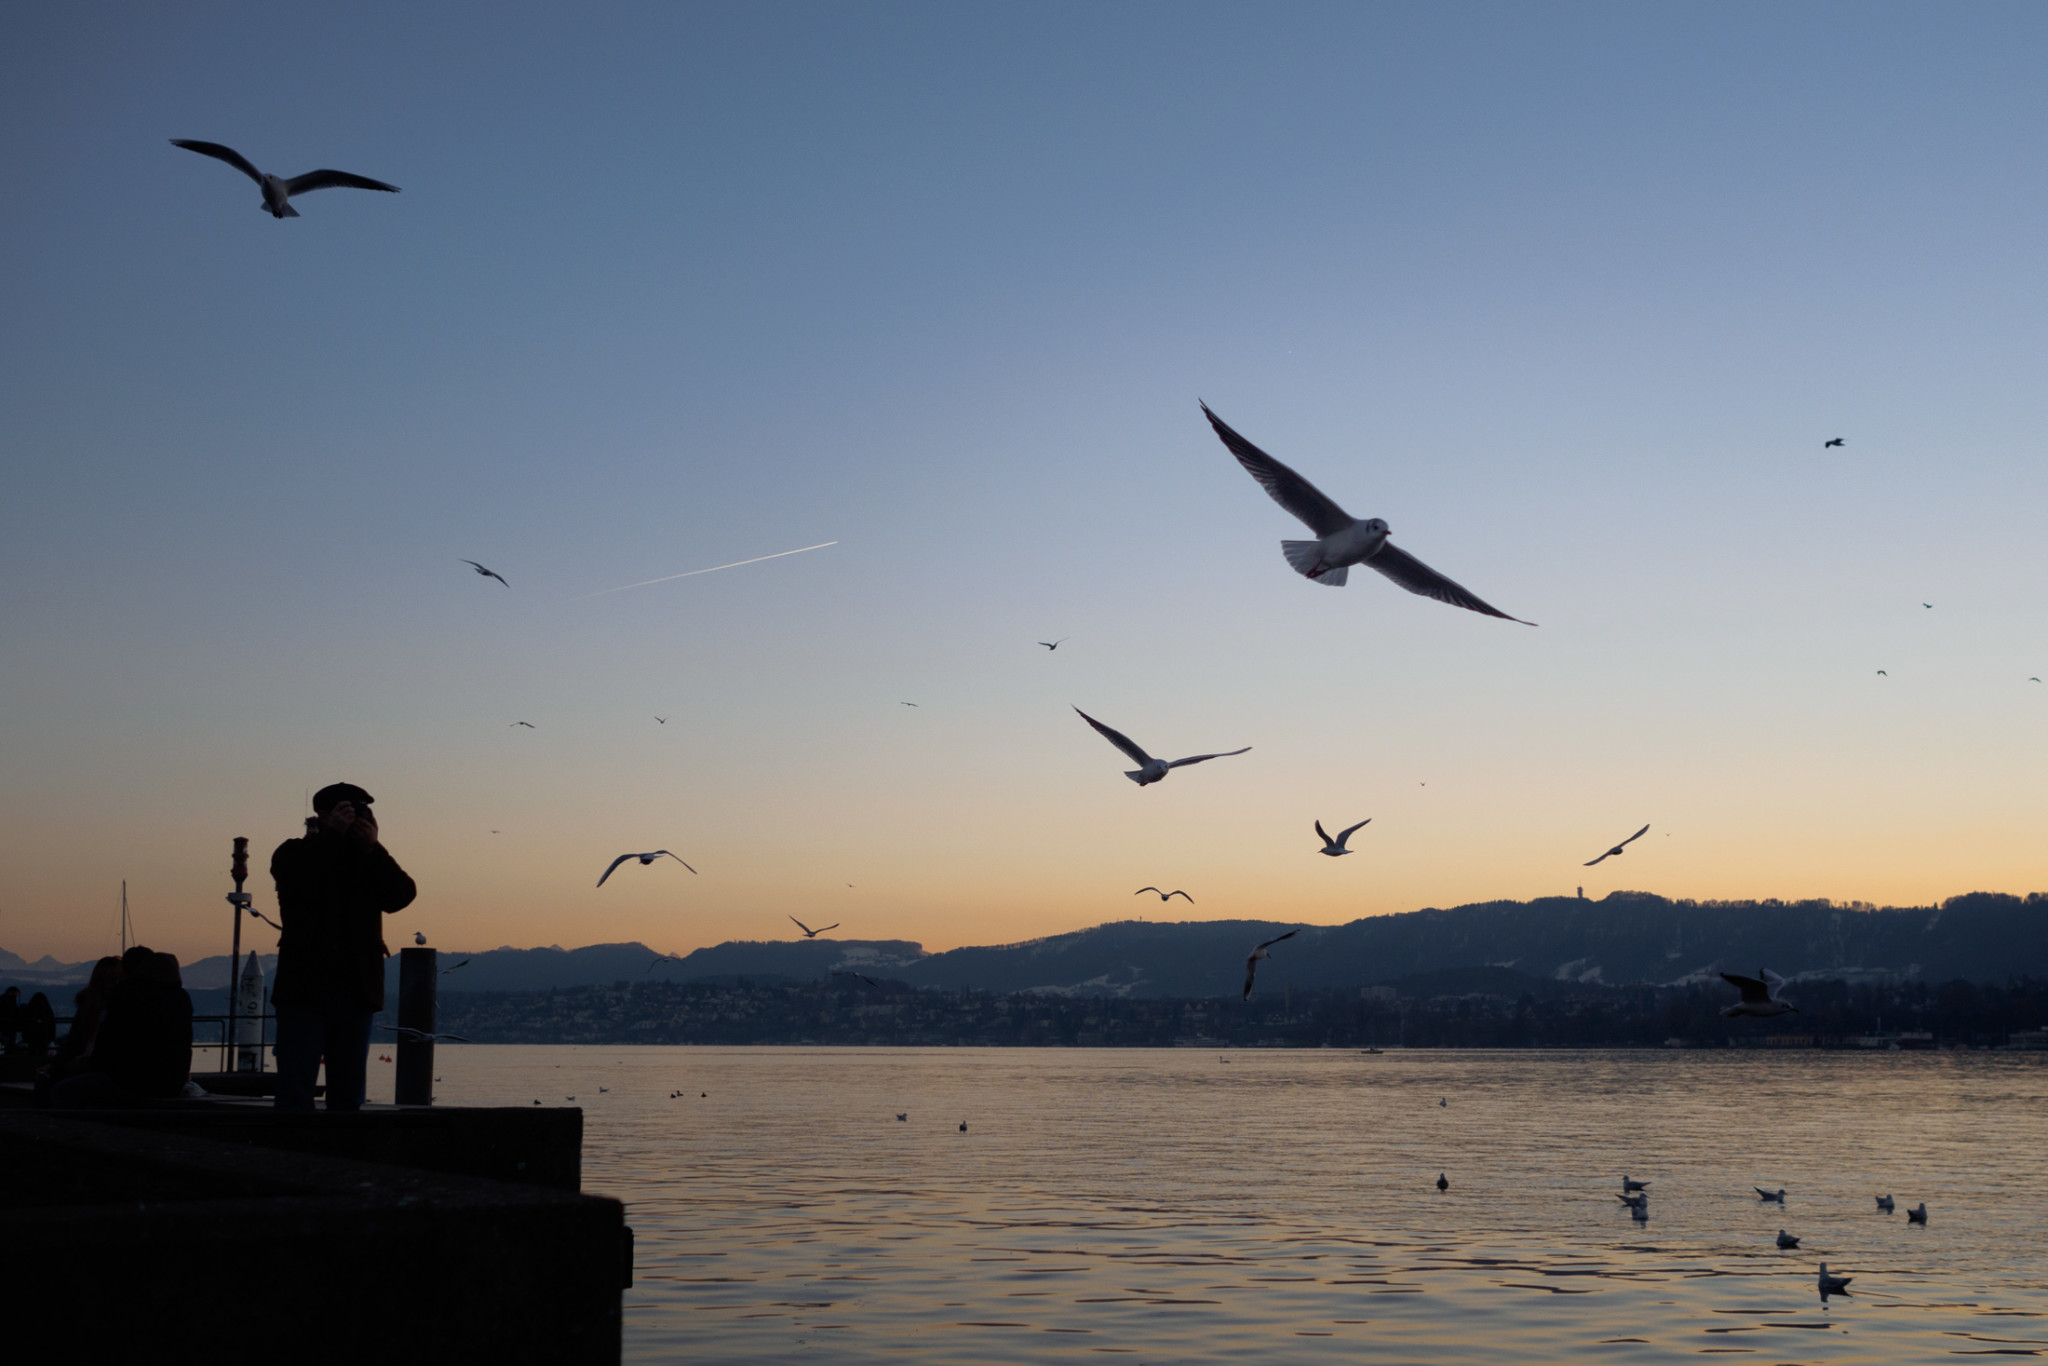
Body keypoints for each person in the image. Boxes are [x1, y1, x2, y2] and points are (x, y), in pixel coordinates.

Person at [269, 782, 416, 1111]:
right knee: (296, 1087)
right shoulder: (294, 852)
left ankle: (344, 1142)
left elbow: (401, 896)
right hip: (304, 988)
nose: (357, 818)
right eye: (347, 811)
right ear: (322, 815)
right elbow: (301, 879)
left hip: (356, 989)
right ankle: (290, 1143)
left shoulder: (368, 859)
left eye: (362, 812)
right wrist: (332, 836)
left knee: (349, 1093)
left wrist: (374, 849)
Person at [50, 946, 193, 1107]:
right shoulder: (182, 997)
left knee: (59, 1091)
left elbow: (107, 1049)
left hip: (131, 1081)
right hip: (172, 1082)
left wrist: (68, 1067)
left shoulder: (127, 994)